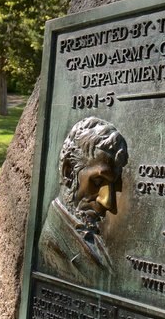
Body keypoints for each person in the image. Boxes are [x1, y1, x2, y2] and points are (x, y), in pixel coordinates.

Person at [38, 117, 129, 283]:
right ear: (68, 171)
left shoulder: (90, 236)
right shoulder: (52, 243)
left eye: (112, 186)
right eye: (97, 182)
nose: (107, 202)